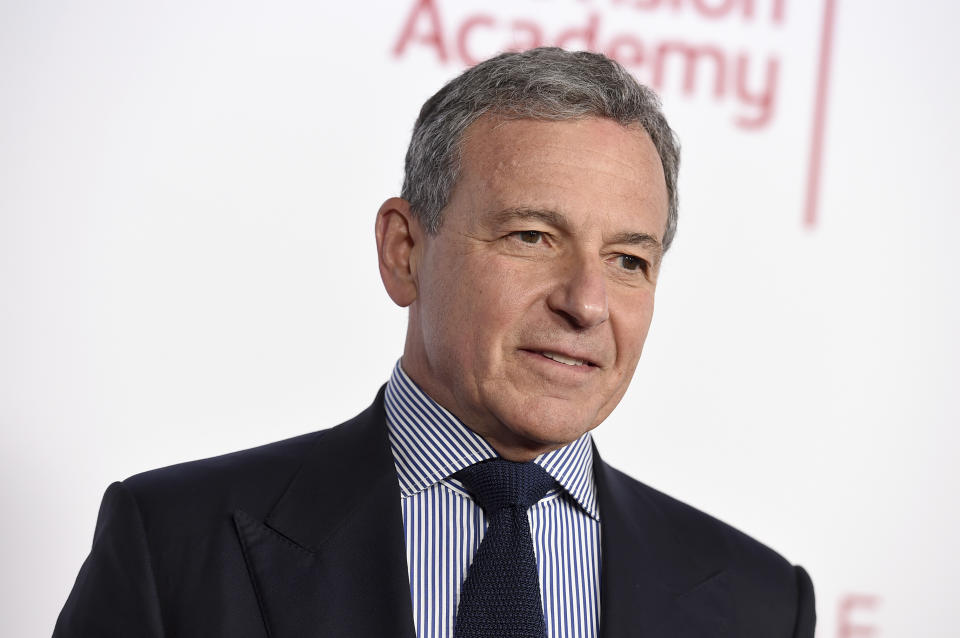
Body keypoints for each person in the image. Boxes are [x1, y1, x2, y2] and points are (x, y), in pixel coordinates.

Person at [54, 47, 815, 638]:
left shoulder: (759, 603)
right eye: (533, 235)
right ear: (404, 250)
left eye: (628, 260)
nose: (586, 303)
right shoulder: (175, 544)